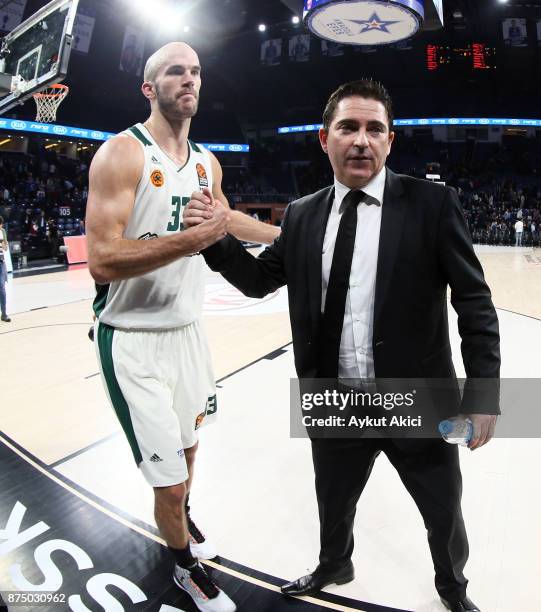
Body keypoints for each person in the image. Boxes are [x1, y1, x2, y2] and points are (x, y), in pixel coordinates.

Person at [185, 79, 500, 612]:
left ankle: (453, 587)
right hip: (334, 396)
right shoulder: (304, 213)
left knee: (443, 510)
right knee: (333, 501)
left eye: (374, 129)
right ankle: (336, 563)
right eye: (348, 128)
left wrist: (486, 395)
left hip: (416, 399)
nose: (361, 140)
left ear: (390, 142)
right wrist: (215, 238)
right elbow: (261, 280)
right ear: (324, 140)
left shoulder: (434, 203)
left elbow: (474, 302)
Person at [86, 41, 279, 612]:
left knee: (190, 453)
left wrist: (290, 235)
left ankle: (183, 520)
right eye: (175, 71)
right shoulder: (122, 154)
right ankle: (183, 569)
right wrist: (196, 240)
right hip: (133, 340)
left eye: (195, 71)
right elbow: (101, 258)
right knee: (167, 481)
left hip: (187, 333)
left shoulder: (205, 162)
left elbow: (226, 219)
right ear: (149, 88)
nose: (188, 79)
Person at [0, 216, 10, 322]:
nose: (1, 226)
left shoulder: (2, 231)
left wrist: (5, 245)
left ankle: (4, 314)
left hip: (1, 263)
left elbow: (6, 248)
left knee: (2, 289)